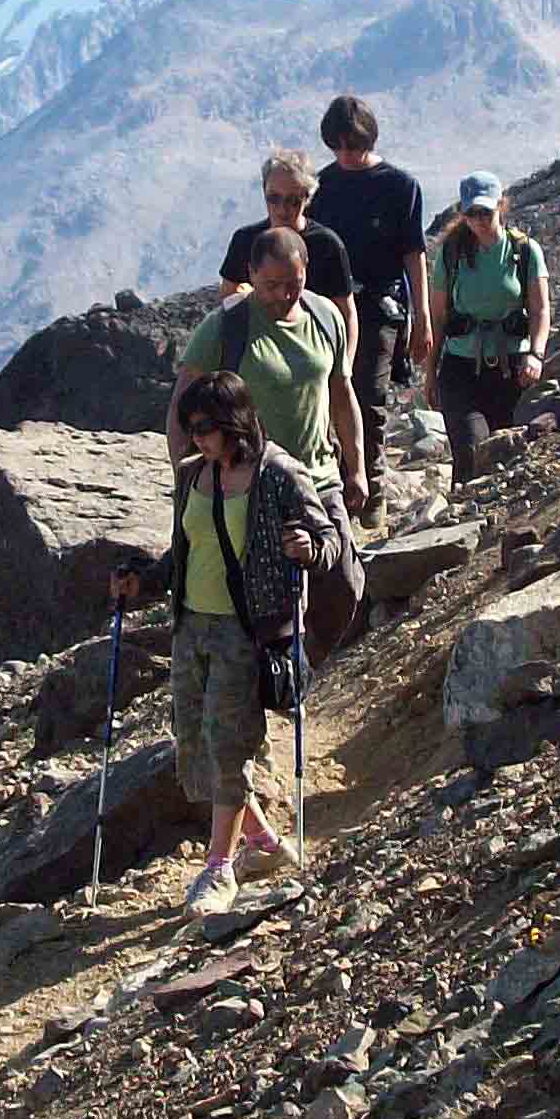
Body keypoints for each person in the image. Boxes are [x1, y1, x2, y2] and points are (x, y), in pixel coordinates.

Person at [112, 371, 341, 915]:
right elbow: (181, 554)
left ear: (233, 423)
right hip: (190, 629)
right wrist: (141, 583)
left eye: (203, 428)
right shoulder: (193, 476)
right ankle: (260, 842)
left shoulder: (278, 474)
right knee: (195, 741)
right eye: (189, 429)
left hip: (246, 631)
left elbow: (329, 538)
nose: (195, 440)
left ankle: (218, 868)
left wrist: (309, 549)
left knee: (228, 740)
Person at [170, 227, 364, 510]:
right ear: (251, 273)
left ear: (305, 271)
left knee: (338, 554)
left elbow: (343, 396)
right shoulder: (224, 327)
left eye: (294, 284)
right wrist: (187, 481)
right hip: (248, 491)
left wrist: (357, 469)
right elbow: (181, 407)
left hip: (321, 483)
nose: (284, 295)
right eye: (271, 285)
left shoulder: (326, 317)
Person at [305, 95, 426, 525]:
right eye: (338, 147)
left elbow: (414, 255)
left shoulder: (400, 187)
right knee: (321, 391)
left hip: (379, 305)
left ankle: (372, 488)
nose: (346, 156)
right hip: (324, 307)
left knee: (368, 394)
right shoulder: (321, 188)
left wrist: (423, 320)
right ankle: (332, 486)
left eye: (352, 146)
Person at [422, 173, 548, 484]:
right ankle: (457, 522)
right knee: (471, 451)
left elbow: (540, 309)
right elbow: (438, 318)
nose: (478, 220)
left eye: (485, 212)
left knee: (504, 460)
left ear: (501, 207)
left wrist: (536, 354)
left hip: (511, 370)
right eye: (471, 213)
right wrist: (430, 375)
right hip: (460, 368)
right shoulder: (451, 254)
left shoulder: (525, 251)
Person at [217, 148, 354, 314]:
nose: (282, 210)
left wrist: (347, 341)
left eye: (293, 201)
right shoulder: (245, 241)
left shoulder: (327, 246)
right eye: (274, 198)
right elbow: (227, 299)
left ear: (307, 197)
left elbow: (346, 312)